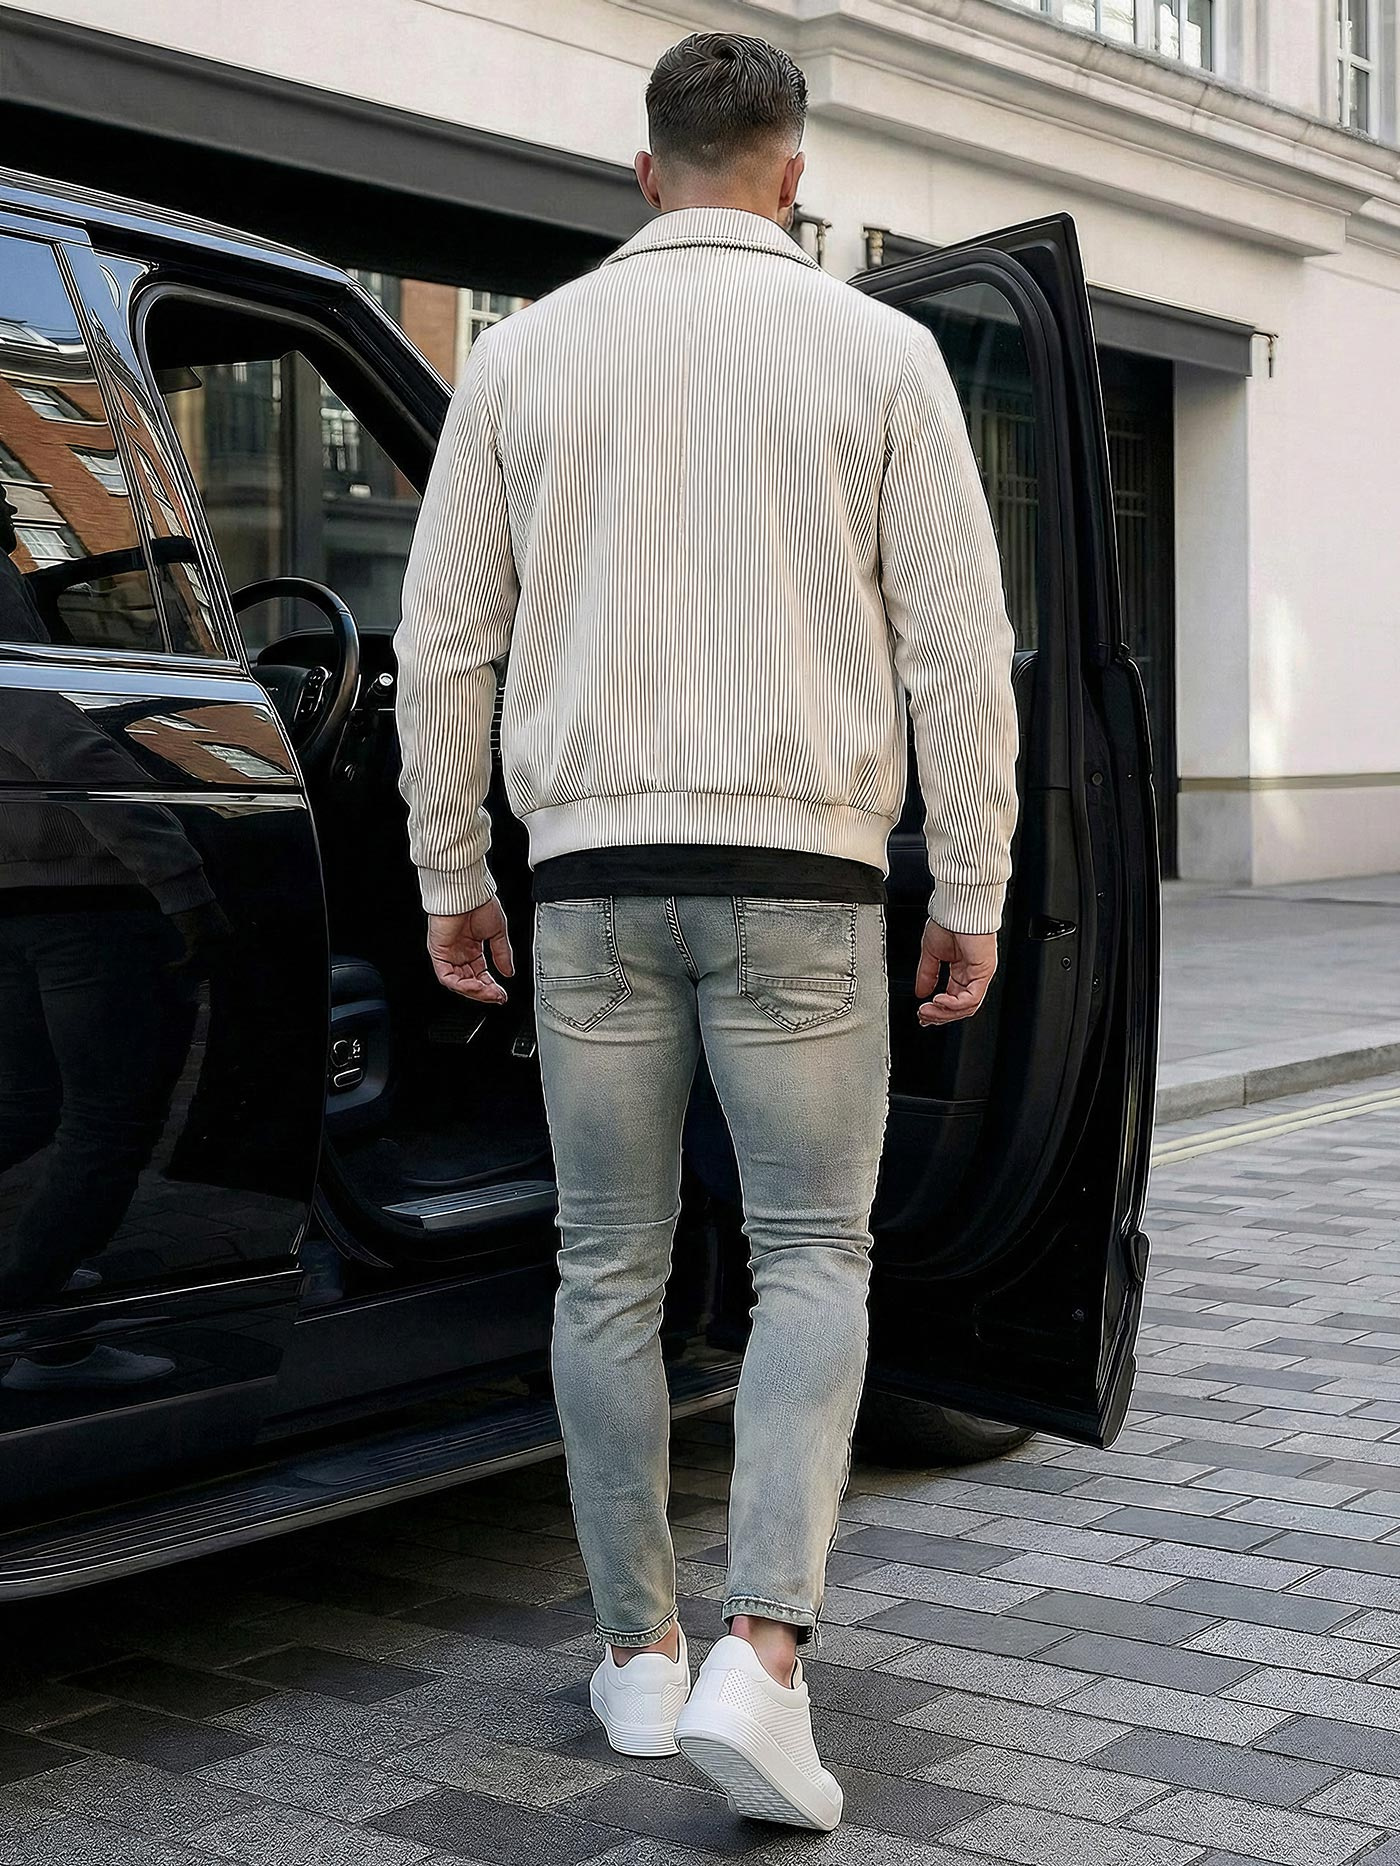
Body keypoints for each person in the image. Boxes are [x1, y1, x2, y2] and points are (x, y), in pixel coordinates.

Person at [395, 32, 1017, 1832]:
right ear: (793, 173)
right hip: (807, 879)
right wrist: (971, 888)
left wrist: (451, 869)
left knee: (608, 1263)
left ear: (644, 171)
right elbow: (960, 652)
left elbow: (443, 643)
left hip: (589, 877)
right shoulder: (881, 352)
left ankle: (640, 1655)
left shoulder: (523, 358)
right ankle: (765, 1654)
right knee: (814, 1254)